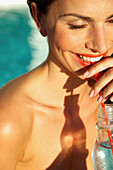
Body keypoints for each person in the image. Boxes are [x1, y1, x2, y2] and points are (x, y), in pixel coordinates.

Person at [0, 0, 113, 169]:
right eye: (78, 25)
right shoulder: (8, 122)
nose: (101, 45)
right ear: (39, 19)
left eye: (112, 21)